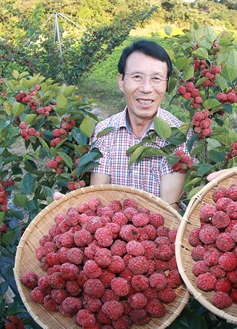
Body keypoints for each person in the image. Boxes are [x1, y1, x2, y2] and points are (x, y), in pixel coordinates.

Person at [54, 40, 191, 208]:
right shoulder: (104, 131)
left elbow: (169, 209)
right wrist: (77, 211)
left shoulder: (178, 135)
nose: (146, 88)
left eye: (156, 78)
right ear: (121, 81)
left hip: (162, 230)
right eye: (137, 77)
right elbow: (100, 197)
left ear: (166, 84)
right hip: (115, 229)